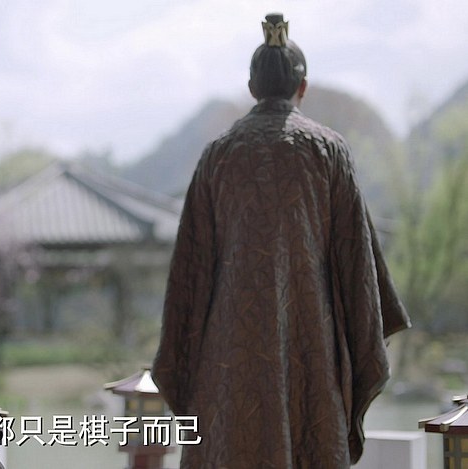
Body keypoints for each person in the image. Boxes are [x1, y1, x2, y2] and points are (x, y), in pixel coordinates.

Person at [152, 13, 411, 468]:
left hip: (228, 361)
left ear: (252, 88)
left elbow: (189, 276)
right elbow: (357, 266)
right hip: (311, 351)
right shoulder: (329, 151)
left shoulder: (217, 156)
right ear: (302, 87)